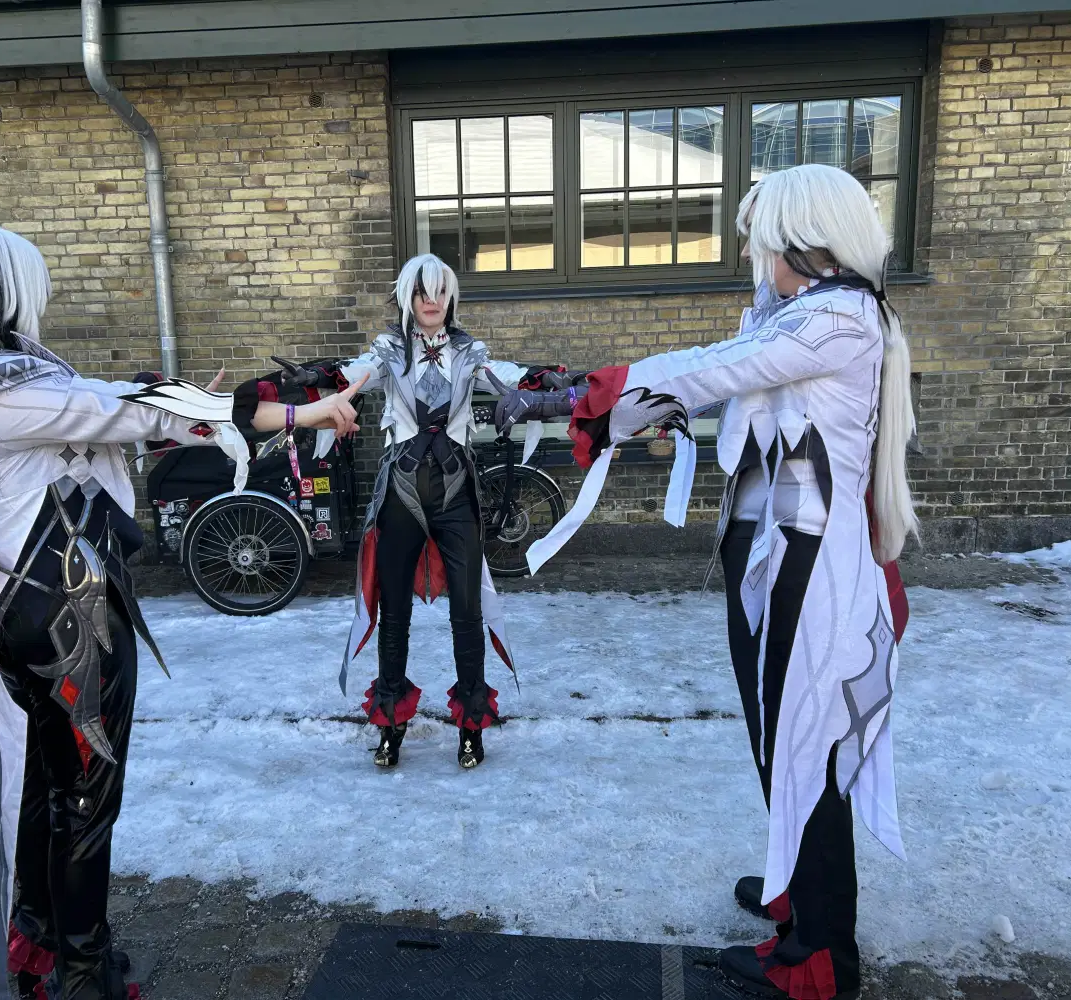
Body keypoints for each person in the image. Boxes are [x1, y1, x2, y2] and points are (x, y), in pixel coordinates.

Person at [0, 222, 363, 1000]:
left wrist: (216, 405)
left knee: (43, 786)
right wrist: (299, 414)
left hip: (15, 611)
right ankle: (83, 974)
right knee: (83, 800)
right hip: (70, 617)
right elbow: (140, 411)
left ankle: (42, 943)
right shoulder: (5, 387)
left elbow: (112, 410)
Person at [520, 164, 915, 1000]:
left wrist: (585, 397)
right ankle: (793, 892)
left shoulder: (837, 316)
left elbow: (712, 369)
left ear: (802, 239)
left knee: (805, 743)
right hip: (776, 558)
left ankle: (818, 960)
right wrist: (603, 396)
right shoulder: (802, 315)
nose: (747, 253)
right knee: (780, 737)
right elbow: (723, 378)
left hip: (808, 567)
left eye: (757, 236)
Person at [270, 253, 583, 769]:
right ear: (407, 297)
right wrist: (315, 378)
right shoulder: (389, 351)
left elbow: (507, 377)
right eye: (421, 291)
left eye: (438, 291)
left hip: (457, 495)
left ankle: (471, 726)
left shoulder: (469, 353)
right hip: (402, 495)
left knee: (468, 614)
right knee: (394, 614)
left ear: (450, 296)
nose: (430, 300)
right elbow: (351, 374)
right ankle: (391, 725)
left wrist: (546, 378)